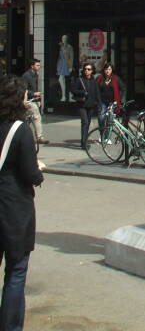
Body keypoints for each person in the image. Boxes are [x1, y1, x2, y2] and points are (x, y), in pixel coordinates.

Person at [0, 75, 44, 330]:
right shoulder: (20, 131)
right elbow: (30, 173)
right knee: (16, 271)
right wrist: (38, 171)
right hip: (13, 207)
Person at [70, 63, 101, 149]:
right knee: (85, 122)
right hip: (81, 105)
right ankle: (84, 143)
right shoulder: (79, 80)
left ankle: (84, 140)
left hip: (91, 105)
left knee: (87, 124)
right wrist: (83, 92)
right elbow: (73, 90)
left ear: (92, 71)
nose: (87, 71)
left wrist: (98, 103)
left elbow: (97, 92)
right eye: (85, 69)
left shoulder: (93, 80)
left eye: (89, 69)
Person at [21, 59, 49, 146]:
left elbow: (37, 88)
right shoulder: (26, 75)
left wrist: (39, 99)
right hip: (28, 100)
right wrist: (33, 94)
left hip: (34, 100)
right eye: (37, 65)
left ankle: (23, 136)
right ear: (32, 66)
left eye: (39, 65)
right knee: (37, 117)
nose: (39, 67)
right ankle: (39, 137)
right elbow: (23, 89)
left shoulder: (36, 74)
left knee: (27, 119)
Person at [96, 62, 125, 129]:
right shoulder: (99, 78)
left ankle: (107, 138)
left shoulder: (116, 79)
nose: (107, 71)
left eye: (109, 69)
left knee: (110, 120)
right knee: (101, 118)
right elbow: (95, 89)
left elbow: (123, 88)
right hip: (102, 102)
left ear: (112, 70)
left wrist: (119, 99)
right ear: (104, 70)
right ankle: (102, 133)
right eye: (106, 69)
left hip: (112, 102)